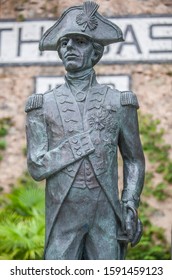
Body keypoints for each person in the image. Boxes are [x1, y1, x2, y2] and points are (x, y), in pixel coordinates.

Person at [25, 1, 145, 260]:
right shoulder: (42, 105)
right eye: (65, 43)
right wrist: (78, 145)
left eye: (79, 41)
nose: (69, 47)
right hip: (62, 217)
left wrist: (130, 203)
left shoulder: (119, 102)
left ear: (96, 52)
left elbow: (134, 160)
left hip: (106, 215)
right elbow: (36, 166)